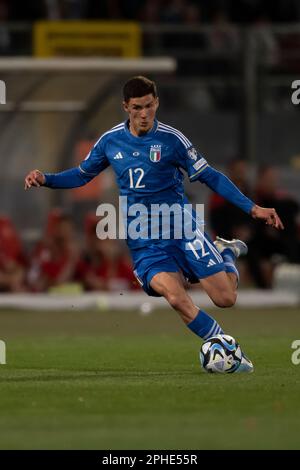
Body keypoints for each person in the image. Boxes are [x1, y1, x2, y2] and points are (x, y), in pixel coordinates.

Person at [24, 76, 284, 373]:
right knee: (175, 296)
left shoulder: (173, 140)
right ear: (126, 107)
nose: (144, 114)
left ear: (156, 103)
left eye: (149, 106)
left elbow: (210, 175)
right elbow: (82, 175)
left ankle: (225, 252)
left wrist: (252, 208)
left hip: (182, 229)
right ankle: (227, 350)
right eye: (137, 108)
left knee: (225, 298)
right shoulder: (110, 141)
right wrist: (47, 179)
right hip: (144, 240)